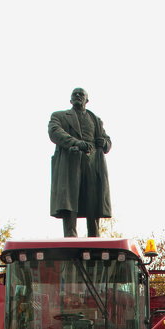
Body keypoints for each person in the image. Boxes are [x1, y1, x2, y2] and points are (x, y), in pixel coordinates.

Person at [48, 88, 112, 237]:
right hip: (70, 162)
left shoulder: (95, 119)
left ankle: (94, 237)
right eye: (75, 94)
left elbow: (107, 140)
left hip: (93, 162)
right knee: (70, 199)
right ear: (70, 100)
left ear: (87, 100)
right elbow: (55, 132)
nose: (78, 96)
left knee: (93, 198)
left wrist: (105, 143)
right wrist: (76, 143)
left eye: (81, 94)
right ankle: (70, 237)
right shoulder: (59, 116)